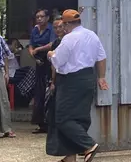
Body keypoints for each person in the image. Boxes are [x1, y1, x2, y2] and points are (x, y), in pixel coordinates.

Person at [47, 10, 108, 162]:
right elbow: (101, 57)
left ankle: (89, 145)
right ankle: (69, 157)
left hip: (70, 81)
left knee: (63, 119)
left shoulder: (69, 39)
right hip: (88, 77)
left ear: (67, 24)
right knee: (79, 118)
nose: (62, 28)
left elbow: (58, 60)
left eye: (63, 25)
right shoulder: (92, 35)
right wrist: (101, 77)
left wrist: (50, 54)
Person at [29, 9, 56, 134]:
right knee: (39, 91)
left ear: (47, 18)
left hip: (49, 60)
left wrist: (38, 49)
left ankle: (50, 123)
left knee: (49, 90)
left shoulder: (51, 29)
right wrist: (32, 53)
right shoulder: (35, 29)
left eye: (41, 17)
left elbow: (52, 44)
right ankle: (40, 123)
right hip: (38, 61)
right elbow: (31, 44)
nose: (39, 19)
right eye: (37, 17)